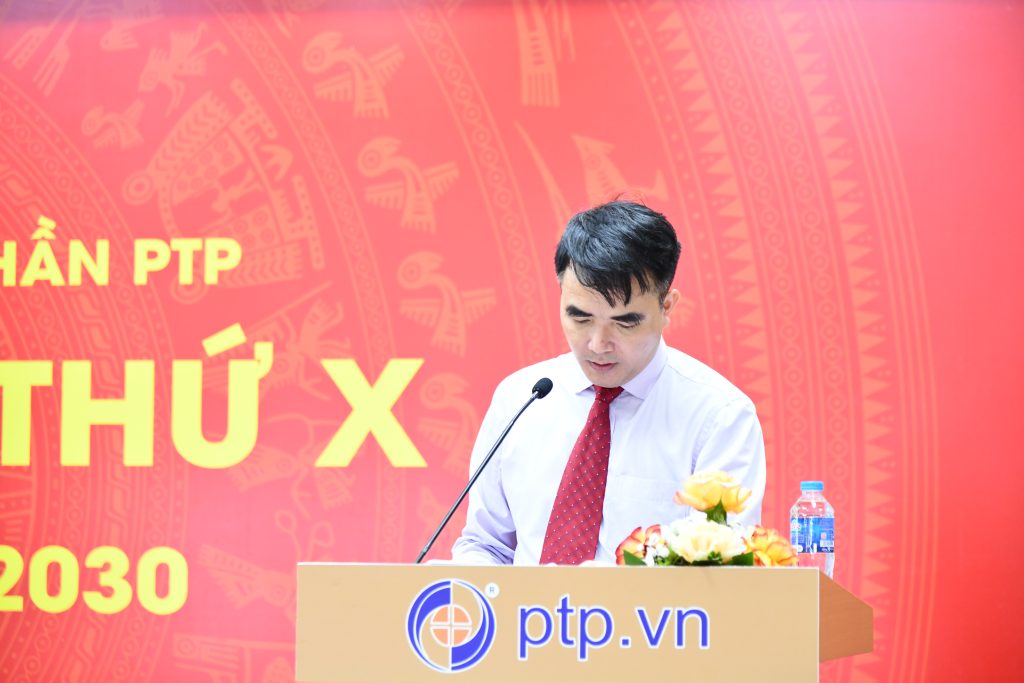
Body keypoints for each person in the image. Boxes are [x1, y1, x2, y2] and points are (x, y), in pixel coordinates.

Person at [450, 200, 766, 565]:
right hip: (524, 605)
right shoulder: (520, 398)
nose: (598, 345)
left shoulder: (718, 417)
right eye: (580, 318)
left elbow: (720, 568)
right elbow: (486, 545)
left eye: (624, 322)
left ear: (666, 307)